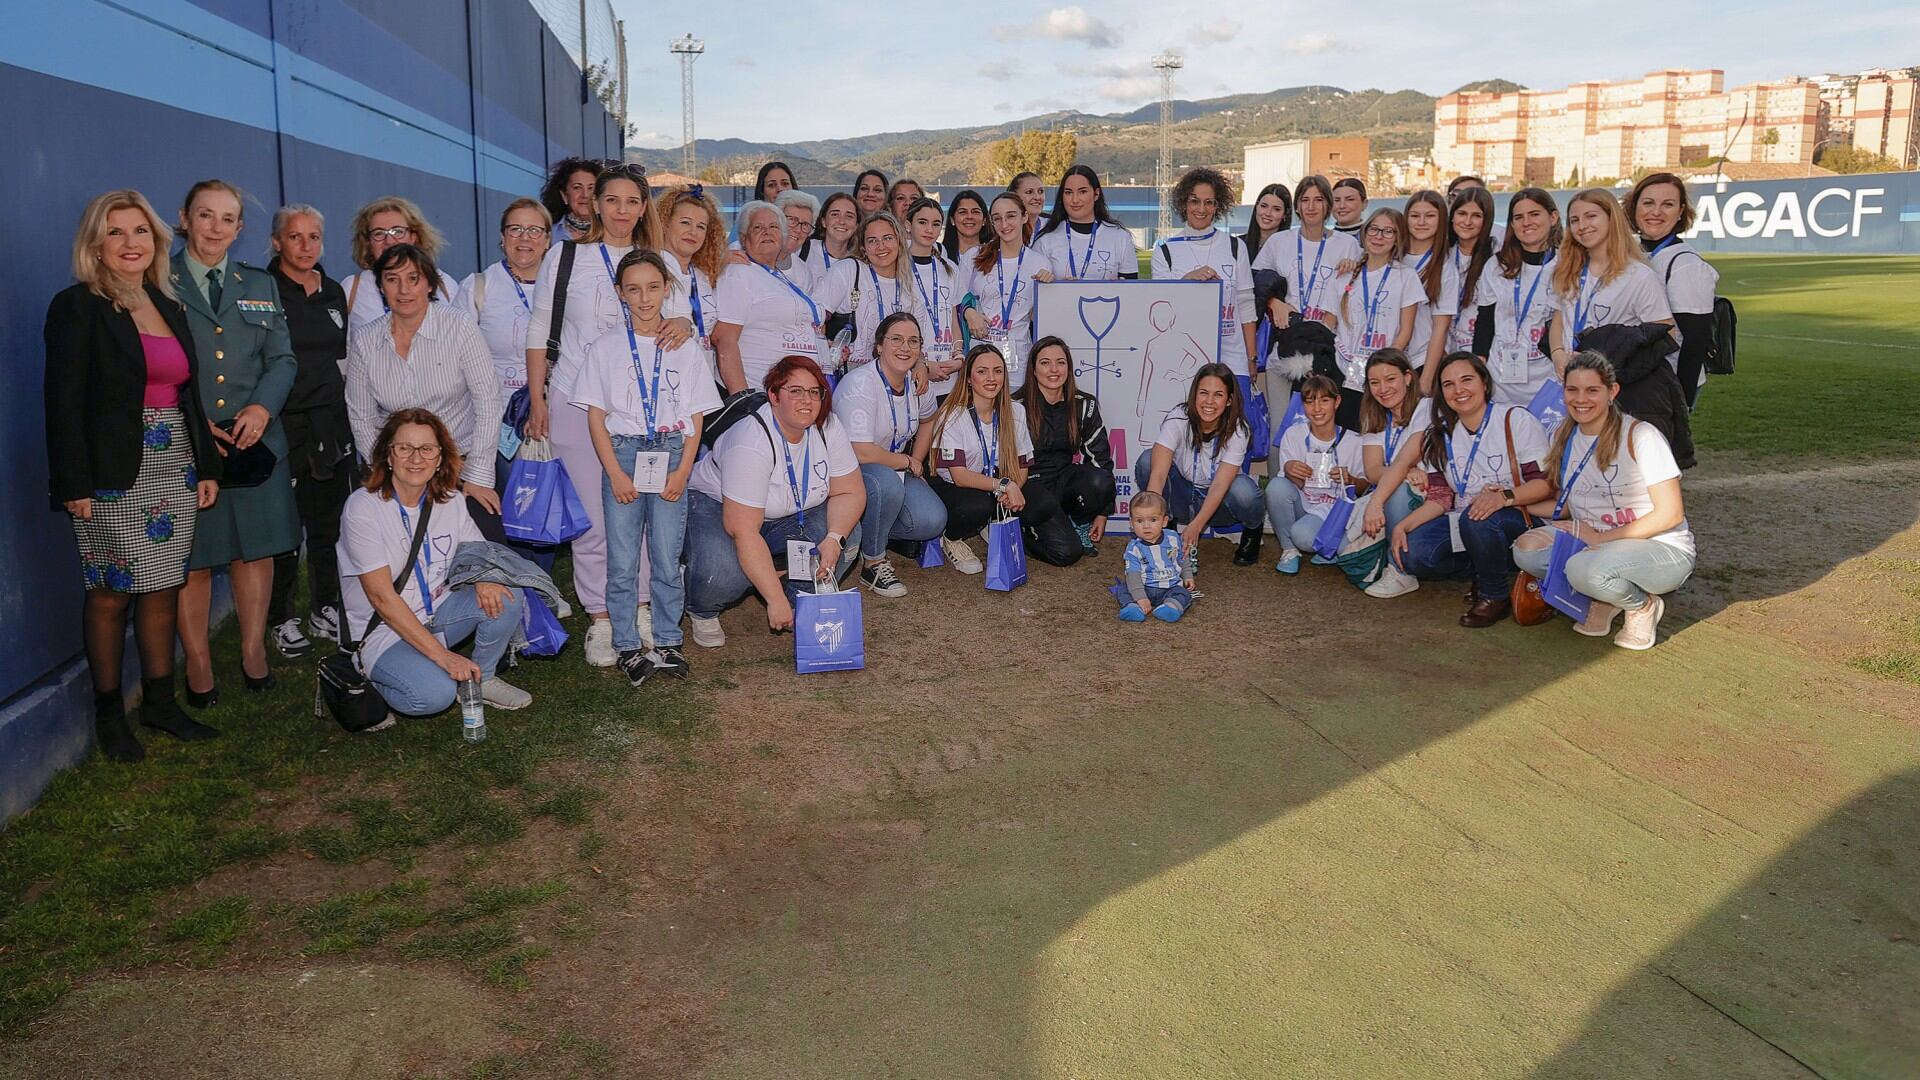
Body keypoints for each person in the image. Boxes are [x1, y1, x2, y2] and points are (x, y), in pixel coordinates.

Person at [45, 189, 224, 760]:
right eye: (116, 232)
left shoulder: (167, 304)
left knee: (163, 586)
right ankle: (108, 716)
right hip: (110, 472)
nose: (130, 243)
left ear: (156, 241)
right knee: (111, 593)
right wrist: (73, 484)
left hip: (172, 459)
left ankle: (160, 703)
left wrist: (205, 465)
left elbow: (189, 395)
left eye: (140, 232)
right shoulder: (77, 307)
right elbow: (63, 402)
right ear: (95, 244)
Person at [523, 162, 674, 666]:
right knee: (593, 517)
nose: (622, 211)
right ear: (593, 204)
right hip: (573, 401)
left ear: (643, 207)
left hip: (641, 410)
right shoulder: (564, 258)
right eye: (612, 200)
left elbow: (683, 320)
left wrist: (684, 327)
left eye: (633, 201)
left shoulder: (657, 260)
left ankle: (643, 606)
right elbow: (539, 329)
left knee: (644, 512)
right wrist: (539, 399)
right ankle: (603, 617)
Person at [169, 179, 300, 706]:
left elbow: (282, 358)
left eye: (227, 219)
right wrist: (199, 425)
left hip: (255, 442)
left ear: (240, 229)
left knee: (254, 552)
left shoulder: (258, 284)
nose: (215, 228)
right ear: (184, 218)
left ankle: (252, 652)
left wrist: (262, 407)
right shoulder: (160, 279)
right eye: (205, 216)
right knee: (192, 560)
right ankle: (198, 662)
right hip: (186, 445)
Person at [571, 251, 720, 684]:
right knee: (621, 559)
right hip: (622, 455)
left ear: (666, 289)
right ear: (620, 293)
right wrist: (616, 474)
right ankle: (627, 645)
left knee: (666, 556)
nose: (643, 298)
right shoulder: (605, 348)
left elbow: (696, 416)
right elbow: (595, 416)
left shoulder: (683, 346)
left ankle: (669, 640)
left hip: (672, 455)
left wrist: (682, 471)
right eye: (633, 289)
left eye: (652, 287)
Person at [339, 408, 531, 719]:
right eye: (404, 448)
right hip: (383, 630)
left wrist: (485, 577)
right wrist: (444, 658)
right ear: (388, 455)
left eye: (427, 449)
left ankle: (485, 677)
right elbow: (381, 598)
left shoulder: (450, 499)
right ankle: (373, 677)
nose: (416, 459)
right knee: (434, 696)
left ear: (440, 458)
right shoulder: (363, 508)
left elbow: (478, 551)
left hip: (437, 612)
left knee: (506, 594)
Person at [1512, 351, 1695, 650]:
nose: (1580, 399)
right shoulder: (1567, 435)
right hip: (1597, 542)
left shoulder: (1642, 435)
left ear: (1612, 391)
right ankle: (1605, 596)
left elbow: (1670, 514)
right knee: (1526, 550)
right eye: (1572, 390)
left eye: (1592, 390)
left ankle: (1641, 605)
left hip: (1661, 547)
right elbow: (1569, 505)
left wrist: (1601, 537)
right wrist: (1511, 502)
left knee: (1584, 570)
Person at [683, 356, 865, 647]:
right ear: (773, 396)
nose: (806, 400)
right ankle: (700, 605)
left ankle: (798, 595)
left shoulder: (827, 425)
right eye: (795, 391)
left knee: (847, 532)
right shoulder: (750, 441)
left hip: (788, 513)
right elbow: (743, 530)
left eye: (814, 391)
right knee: (725, 573)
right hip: (717, 507)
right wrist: (774, 599)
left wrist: (833, 538)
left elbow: (851, 491)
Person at [347, 241, 504, 538]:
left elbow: (488, 402)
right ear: (381, 287)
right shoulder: (365, 341)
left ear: (430, 284)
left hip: (460, 464)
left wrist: (478, 476)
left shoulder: (459, 326)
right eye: (392, 280)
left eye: (413, 279)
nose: (403, 289)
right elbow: (361, 418)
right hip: (398, 469)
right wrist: (386, 472)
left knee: (487, 553)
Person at [1389, 351, 1551, 627]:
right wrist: (1403, 525)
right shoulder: (1441, 434)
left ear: (1484, 383)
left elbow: (1545, 484)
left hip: (1519, 517)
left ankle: (1494, 596)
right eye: (1448, 384)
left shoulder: (1515, 420)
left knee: (1478, 516)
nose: (1459, 390)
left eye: (1467, 380)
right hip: (1467, 520)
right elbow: (1441, 496)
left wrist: (1504, 498)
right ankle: (1491, 567)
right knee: (1412, 553)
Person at [265, 204, 354, 657]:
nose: (305, 246)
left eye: (314, 237)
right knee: (284, 528)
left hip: (330, 424)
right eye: (295, 237)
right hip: (283, 424)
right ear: (277, 241)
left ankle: (326, 606)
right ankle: (281, 617)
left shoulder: (334, 291)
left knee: (329, 524)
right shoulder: (262, 291)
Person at [928, 343, 1081, 571]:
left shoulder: (1015, 411)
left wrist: (1011, 488)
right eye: (982, 371)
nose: (991, 378)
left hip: (996, 483)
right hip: (956, 486)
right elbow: (959, 476)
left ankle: (994, 521)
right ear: (968, 378)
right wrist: (1004, 486)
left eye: (998, 371)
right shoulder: (952, 415)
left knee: (1044, 502)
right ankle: (951, 536)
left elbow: (1021, 466)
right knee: (978, 504)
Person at [831, 312, 948, 596]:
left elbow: (929, 419)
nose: (905, 347)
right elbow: (860, 452)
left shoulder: (917, 382)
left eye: (913, 341)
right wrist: (907, 461)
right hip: (849, 473)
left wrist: (917, 459)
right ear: (879, 346)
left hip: (891, 469)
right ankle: (873, 562)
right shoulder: (861, 384)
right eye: (896, 339)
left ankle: (871, 529)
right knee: (886, 483)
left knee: (932, 520)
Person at [1252, 174, 1361, 471]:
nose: (1311, 206)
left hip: (1325, 348)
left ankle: (1319, 491)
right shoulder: (1279, 241)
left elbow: (1357, 295)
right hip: (1284, 345)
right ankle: (1277, 492)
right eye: (1305, 200)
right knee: (1280, 426)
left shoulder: (1347, 245)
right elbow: (1257, 282)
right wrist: (1275, 303)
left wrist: (1353, 273)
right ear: (1296, 206)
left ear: (1328, 205)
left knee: (1320, 422)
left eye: (1318, 200)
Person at [1135, 363, 1265, 566]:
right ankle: (1166, 529)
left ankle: (1252, 532)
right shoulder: (1178, 418)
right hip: (1182, 494)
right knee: (1147, 460)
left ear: (1229, 400)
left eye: (1219, 395)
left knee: (1244, 490)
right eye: (1203, 393)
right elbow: (1158, 474)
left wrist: (1196, 526)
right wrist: (1152, 521)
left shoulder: (1239, 430)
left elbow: (1220, 485)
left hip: (1217, 504)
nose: (1209, 402)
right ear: (1194, 394)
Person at [458, 198, 551, 482]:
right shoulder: (477, 287)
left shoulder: (563, 287)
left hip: (556, 417)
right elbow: (455, 360)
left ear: (548, 240)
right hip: (497, 424)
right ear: (502, 238)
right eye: (515, 230)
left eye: (534, 230)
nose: (525, 238)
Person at [1545, 188, 1673, 374]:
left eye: (1591, 216)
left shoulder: (1639, 276)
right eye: (1575, 220)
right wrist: (1557, 354)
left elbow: (1666, 333)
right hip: (1569, 383)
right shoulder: (1568, 269)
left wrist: (1618, 365)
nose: (1582, 225)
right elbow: (1559, 319)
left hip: (1615, 389)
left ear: (1611, 218)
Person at [1154, 167, 1258, 380]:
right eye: (1194, 201)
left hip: (1232, 361)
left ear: (1217, 206)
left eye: (1209, 202)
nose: (1201, 208)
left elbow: (1246, 305)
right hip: (1183, 362)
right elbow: (1161, 308)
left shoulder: (1235, 247)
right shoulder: (1165, 251)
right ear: (1184, 203)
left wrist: (1251, 358)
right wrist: (1187, 280)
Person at [1626, 171, 1719, 408]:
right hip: (1637, 378)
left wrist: (1680, 402)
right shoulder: (1632, 253)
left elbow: (1695, 340)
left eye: (1668, 204)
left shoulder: (1686, 264)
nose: (1656, 212)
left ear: (1680, 212)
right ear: (1634, 207)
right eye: (1648, 203)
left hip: (1667, 385)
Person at [1016, 337, 1115, 555]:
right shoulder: (1016, 406)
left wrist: (1102, 512)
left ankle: (1078, 522)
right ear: (1033, 370)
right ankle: (1020, 531)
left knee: (1101, 479)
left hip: (1063, 480)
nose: (1054, 369)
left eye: (1060, 362)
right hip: (1029, 486)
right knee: (1066, 554)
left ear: (1068, 367)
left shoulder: (1084, 404)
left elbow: (1101, 460)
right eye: (1045, 363)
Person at [715, 200, 824, 394]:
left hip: (791, 398)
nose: (767, 232)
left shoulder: (781, 277)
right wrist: (743, 398)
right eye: (758, 227)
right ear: (743, 237)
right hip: (759, 394)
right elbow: (724, 339)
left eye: (773, 227)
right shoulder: (739, 272)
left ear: (782, 237)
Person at [1328, 208, 1422, 427]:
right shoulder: (1345, 274)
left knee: (1380, 434)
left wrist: (1385, 367)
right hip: (1345, 371)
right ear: (1364, 231)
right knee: (1349, 436)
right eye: (1374, 229)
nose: (1379, 236)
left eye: (1388, 231)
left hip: (1383, 377)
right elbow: (1329, 323)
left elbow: (1406, 330)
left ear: (1398, 238)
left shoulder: (1406, 276)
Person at [1265, 373, 1368, 573]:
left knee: (1317, 540)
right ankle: (1289, 550)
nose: (1317, 408)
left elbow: (1365, 487)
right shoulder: (1293, 435)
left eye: (1324, 400)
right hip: (1305, 505)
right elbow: (1289, 488)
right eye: (1310, 402)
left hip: (1335, 511)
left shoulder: (1355, 441)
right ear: (1303, 405)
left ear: (1337, 402)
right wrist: (1289, 470)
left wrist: (1351, 480)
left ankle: (1329, 549)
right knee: (1276, 487)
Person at [1471, 187, 1563, 405]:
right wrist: (1478, 368)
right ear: (1511, 225)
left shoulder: (1567, 265)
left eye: (1534, 214)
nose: (1526, 222)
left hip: (1549, 381)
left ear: (1553, 217)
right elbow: (1485, 322)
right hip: (1500, 380)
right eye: (1518, 217)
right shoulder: (1496, 265)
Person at [1355, 348, 1431, 598]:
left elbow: (1412, 453)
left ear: (1408, 377)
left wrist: (1402, 472)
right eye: (1375, 382)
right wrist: (1404, 471)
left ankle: (1399, 571)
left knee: (1398, 488)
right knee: (1345, 552)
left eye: (1390, 379)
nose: (1383, 388)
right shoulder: (1374, 417)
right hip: (1394, 493)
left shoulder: (1427, 407)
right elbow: (1373, 470)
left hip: (1432, 496)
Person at [813, 211, 923, 378]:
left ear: (900, 241)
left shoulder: (910, 285)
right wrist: (826, 347)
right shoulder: (849, 270)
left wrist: (921, 364)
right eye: (872, 241)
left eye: (887, 238)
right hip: (848, 376)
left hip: (894, 378)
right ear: (863, 247)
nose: (881, 247)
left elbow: (916, 338)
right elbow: (815, 315)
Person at [960, 192, 1052, 390]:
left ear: (1024, 217)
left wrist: (1050, 289)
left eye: (1011, 216)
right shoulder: (973, 257)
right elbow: (956, 298)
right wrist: (970, 313)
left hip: (1018, 361)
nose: (1004, 224)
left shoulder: (1040, 263)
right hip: (979, 356)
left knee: (1015, 417)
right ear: (991, 223)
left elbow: (1042, 317)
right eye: (997, 219)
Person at [343, 197, 462, 328]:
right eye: (379, 233)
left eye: (397, 231)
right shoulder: (352, 288)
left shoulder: (444, 284)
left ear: (413, 237)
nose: (389, 241)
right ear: (368, 242)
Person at [655, 184, 727, 361]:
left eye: (701, 227)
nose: (693, 232)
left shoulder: (702, 275)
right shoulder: (652, 268)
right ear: (665, 224)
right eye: (685, 222)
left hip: (701, 373)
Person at [1033, 165, 1139, 282]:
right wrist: (1054, 285)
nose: (1075, 200)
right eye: (1068, 192)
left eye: (1082, 192)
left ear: (1096, 194)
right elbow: (1034, 289)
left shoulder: (1120, 237)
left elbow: (1131, 291)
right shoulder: (1046, 239)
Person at [902, 197, 963, 394]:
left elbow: (953, 318)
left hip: (948, 372)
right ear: (908, 225)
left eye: (936, 224)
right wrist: (923, 364)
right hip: (913, 372)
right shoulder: (897, 269)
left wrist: (958, 358)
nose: (930, 229)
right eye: (922, 222)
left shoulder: (950, 269)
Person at [1441, 186, 1498, 378]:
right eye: (1461, 213)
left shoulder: (1499, 256)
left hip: (1484, 353)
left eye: (1476, 216)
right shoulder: (1442, 255)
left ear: (1486, 219)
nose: (1467, 221)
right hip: (1446, 350)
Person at [1401, 190, 1458, 374]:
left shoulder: (1445, 267)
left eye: (1430, 216)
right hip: (1389, 356)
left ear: (1441, 220)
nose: (1421, 222)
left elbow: (1440, 329)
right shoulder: (1394, 258)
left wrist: (1427, 378)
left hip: (1422, 360)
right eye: (1415, 216)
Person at [1116, 491, 1194, 623]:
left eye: (1153, 520)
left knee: (1184, 593)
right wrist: (1140, 597)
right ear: (1131, 522)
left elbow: (1182, 557)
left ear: (1164, 521)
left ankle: (1171, 607)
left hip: (1170, 586)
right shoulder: (1134, 548)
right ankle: (1133, 607)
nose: (1146, 526)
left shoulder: (1173, 538)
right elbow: (1133, 575)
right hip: (1145, 586)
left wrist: (1188, 575)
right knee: (1124, 589)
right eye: (1139, 521)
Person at [793, 191, 858, 291]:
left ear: (856, 225)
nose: (841, 221)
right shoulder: (803, 250)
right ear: (823, 221)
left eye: (849, 216)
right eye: (835, 214)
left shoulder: (859, 262)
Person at [541, 157, 603, 242]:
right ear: (564, 196)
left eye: (591, 188)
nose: (585, 195)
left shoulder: (613, 234)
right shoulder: (547, 234)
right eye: (577, 187)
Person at [1241, 182, 1294, 264]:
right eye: (1264, 206)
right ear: (1256, 207)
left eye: (1276, 209)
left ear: (1285, 215)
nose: (1268, 213)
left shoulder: (1292, 249)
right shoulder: (1237, 245)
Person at [1447, 175, 1504, 245]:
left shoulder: (1501, 238)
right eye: (1456, 194)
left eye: (1476, 215)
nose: (1467, 198)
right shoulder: (1439, 237)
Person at [776, 190, 819, 269]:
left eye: (805, 224)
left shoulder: (803, 271)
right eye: (792, 220)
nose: (798, 230)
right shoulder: (749, 261)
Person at [942, 189, 988, 262]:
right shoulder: (941, 256)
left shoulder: (995, 254)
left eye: (975, 212)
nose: (969, 217)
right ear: (952, 220)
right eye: (962, 212)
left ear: (984, 220)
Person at [1008, 171, 1048, 236]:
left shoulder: (1055, 227)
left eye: (1041, 191)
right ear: (1014, 196)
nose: (1037, 197)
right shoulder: (1004, 228)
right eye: (1029, 192)